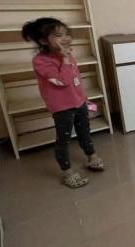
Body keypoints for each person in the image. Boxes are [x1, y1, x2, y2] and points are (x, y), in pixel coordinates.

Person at [21, 17, 104, 188]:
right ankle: (67, 173)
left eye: (66, 34)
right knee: (64, 140)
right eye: (59, 35)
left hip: (79, 102)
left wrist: (84, 99)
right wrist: (65, 60)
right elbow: (62, 81)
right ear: (43, 41)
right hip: (62, 108)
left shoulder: (67, 54)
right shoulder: (41, 61)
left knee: (85, 132)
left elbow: (76, 79)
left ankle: (92, 156)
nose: (66, 38)